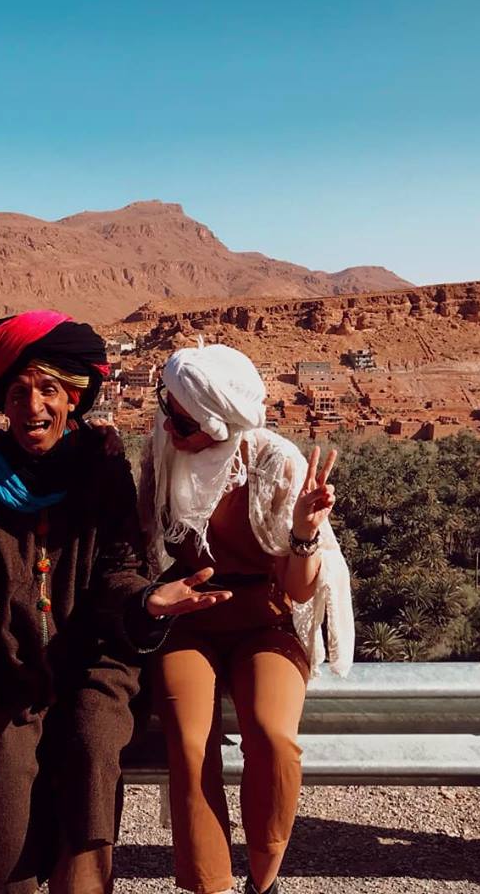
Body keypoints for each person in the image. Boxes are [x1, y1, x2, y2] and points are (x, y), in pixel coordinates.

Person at [0, 311, 228, 894]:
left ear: (73, 397)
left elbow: (120, 568)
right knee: (6, 771)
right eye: (17, 393)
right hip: (4, 662)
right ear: (2, 401)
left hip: (95, 659)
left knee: (92, 745)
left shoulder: (101, 464)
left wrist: (147, 604)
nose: (33, 407)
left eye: (48, 390)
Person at [140, 343, 354, 894]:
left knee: (273, 737)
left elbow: (299, 589)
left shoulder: (273, 462)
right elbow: (143, 547)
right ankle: (209, 884)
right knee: (190, 745)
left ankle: (264, 879)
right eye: (167, 409)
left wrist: (303, 532)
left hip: (265, 622)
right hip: (188, 620)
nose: (169, 426)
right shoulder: (162, 451)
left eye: (184, 422)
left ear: (220, 425)